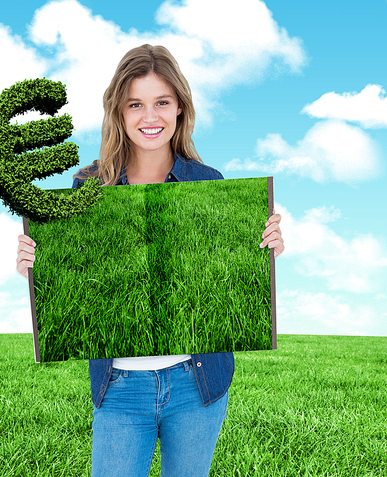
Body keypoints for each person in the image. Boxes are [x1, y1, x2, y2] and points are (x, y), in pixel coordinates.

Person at [17, 44, 284, 477]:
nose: (150, 117)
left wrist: (265, 247)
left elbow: (221, 282)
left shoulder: (209, 183)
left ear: (180, 107)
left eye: (161, 102)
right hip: (120, 387)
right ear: (119, 113)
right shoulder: (88, 186)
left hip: (196, 384)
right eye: (135, 104)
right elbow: (78, 280)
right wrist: (36, 262)